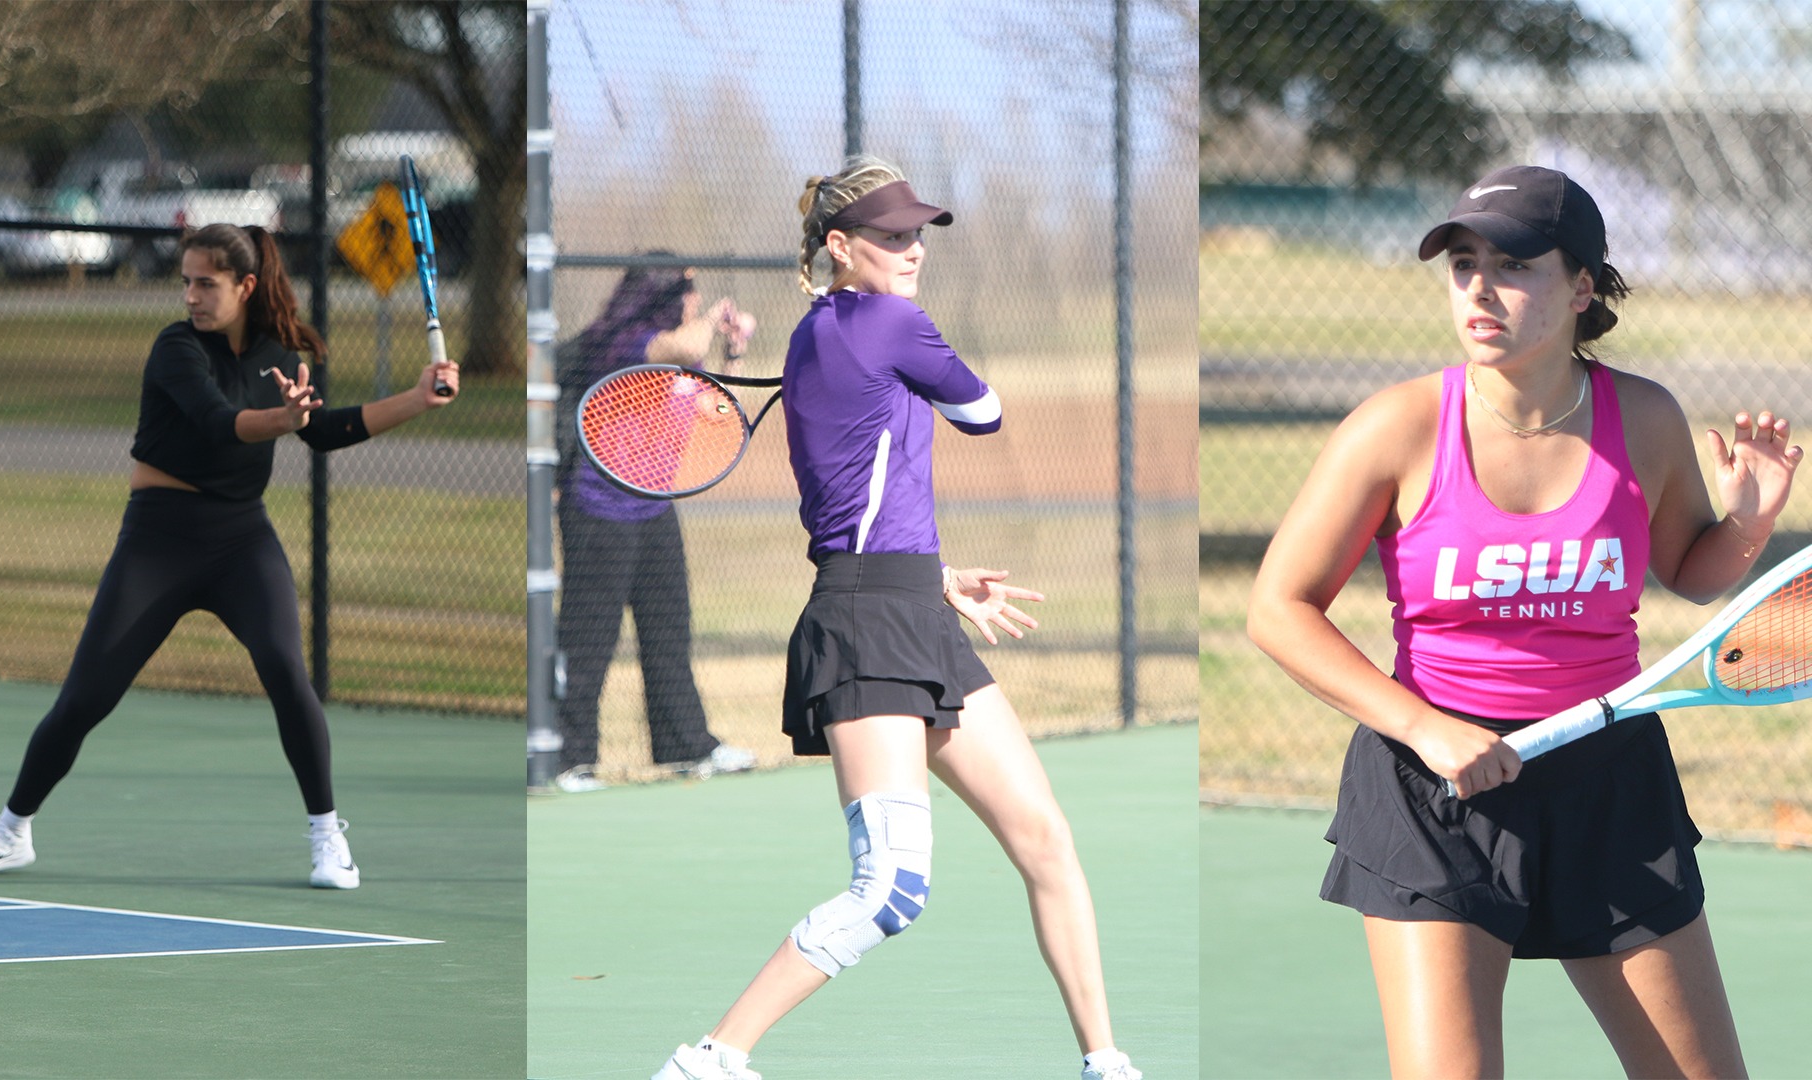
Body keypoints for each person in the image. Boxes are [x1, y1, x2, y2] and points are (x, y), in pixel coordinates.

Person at [1247, 165, 1800, 1077]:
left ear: (1582, 287)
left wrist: (1747, 522)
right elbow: (1278, 607)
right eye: (1464, 263)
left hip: (1609, 778)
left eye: (1512, 265)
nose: (1479, 287)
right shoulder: (1396, 427)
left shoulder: (1646, 419)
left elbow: (1690, 575)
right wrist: (1425, 728)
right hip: (1434, 790)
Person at [652, 156, 1141, 1080]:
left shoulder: (811, 335)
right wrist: (911, 575)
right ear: (840, 248)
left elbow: (854, 485)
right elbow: (984, 413)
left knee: (1045, 839)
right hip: (869, 621)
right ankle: (709, 1061)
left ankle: (1105, 1063)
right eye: (889, 236)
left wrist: (938, 575)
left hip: (911, 603)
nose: (912, 250)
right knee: (891, 889)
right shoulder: (887, 320)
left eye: (918, 234)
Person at [0, 223, 460, 890]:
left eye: (205, 283)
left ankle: (327, 836)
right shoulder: (175, 348)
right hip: (157, 540)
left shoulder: (283, 353)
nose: (190, 295)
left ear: (244, 287)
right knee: (84, 699)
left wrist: (418, 399)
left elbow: (326, 432)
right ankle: (12, 831)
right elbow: (221, 423)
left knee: (285, 672)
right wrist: (284, 420)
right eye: (185, 281)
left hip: (242, 541)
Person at [553, 261, 762, 793]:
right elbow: (681, 349)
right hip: (599, 510)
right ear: (662, 295)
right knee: (588, 641)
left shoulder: (677, 355)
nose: (696, 299)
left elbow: (715, 406)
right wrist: (714, 321)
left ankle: (684, 747)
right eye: (688, 289)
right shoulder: (629, 345)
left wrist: (732, 349)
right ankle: (567, 758)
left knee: (669, 635)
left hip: (654, 509)